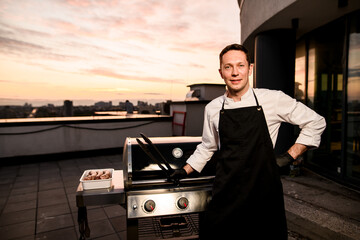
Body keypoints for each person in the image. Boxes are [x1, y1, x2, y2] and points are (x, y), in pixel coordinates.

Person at [170, 44, 326, 239]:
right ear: (221, 72)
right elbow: (207, 147)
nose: (235, 73)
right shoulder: (213, 108)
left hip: (264, 193)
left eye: (240, 65)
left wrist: (289, 156)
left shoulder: (273, 99)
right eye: (228, 67)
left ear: (250, 69)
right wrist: (184, 170)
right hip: (227, 191)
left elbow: (316, 122)